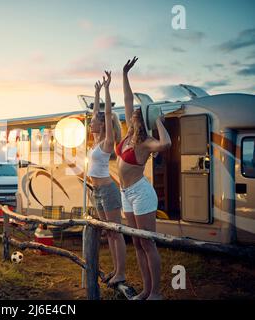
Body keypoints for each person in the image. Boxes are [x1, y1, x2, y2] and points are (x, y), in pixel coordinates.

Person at [117, 57, 172, 300]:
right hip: (125, 193)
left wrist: (159, 120)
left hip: (141, 193)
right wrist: (125, 74)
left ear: (144, 120)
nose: (134, 113)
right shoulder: (129, 133)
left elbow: (167, 144)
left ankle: (156, 293)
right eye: (135, 112)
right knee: (137, 244)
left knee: (148, 243)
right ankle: (146, 290)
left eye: (139, 114)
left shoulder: (146, 141)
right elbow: (128, 99)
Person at [88, 70, 126, 287]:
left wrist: (109, 89)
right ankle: (116, 270)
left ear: (103, 125)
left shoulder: (107, 142)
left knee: (116, 231)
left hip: (108, 190)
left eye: (94, 122)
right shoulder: (95, 141)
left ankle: (121, 272)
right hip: (97, 192)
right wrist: (97, 92)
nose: (90, 124)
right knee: (109, 233)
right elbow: (97, 112)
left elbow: (107, 111)